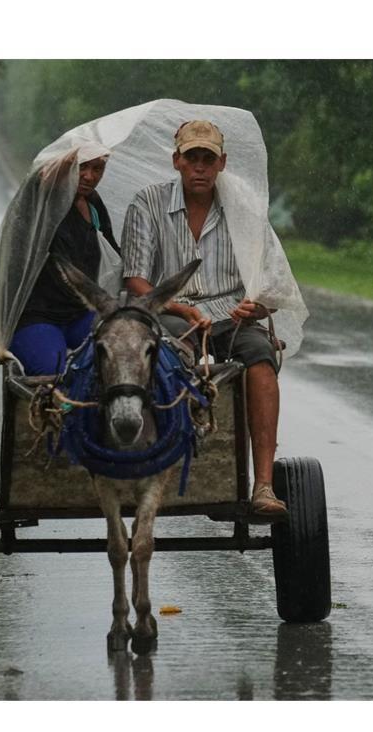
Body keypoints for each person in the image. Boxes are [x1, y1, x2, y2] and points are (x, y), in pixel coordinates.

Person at [120, 120, 287, 516]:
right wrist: (175, 306)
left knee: (260, 357)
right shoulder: (148, 202)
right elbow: (136, 280)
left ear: (221, 163)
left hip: (231, 314)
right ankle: (170, 458)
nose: (200, 167)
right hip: (170, 312)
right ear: (176, 161)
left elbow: (269, 284)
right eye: (191, 157)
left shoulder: (243, 209)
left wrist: (258, 306)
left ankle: (263, 485)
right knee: (173, 354)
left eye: (207, 159)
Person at [8, 146, 120, 376]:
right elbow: (38, 180)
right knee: (55, 374)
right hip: (37, 317)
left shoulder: (93, 204)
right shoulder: (41, 203)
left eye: (97, 169)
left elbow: (115, 254)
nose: (89, 176)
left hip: (81, 313)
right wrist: (75, 149)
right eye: (82, 167)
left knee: (121, 356)